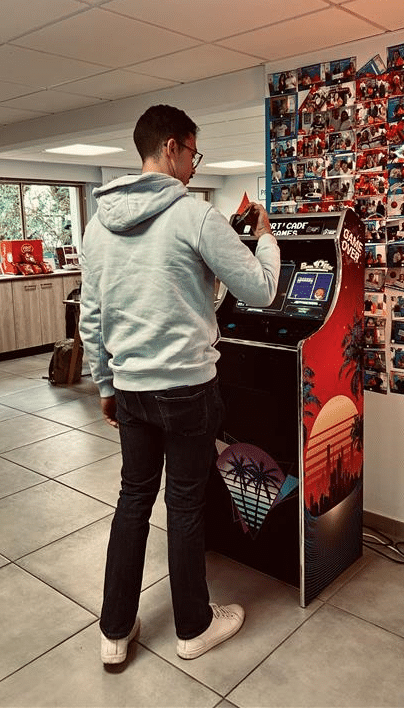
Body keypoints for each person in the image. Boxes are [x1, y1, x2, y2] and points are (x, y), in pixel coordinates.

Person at [79, 104, 280, 665]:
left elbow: (90, 319)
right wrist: (265, 239)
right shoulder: (195, 217)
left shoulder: (99, 224)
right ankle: (192, 627)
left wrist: (104, 386)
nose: (195, 165)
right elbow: (262, 290)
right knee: (185, 506)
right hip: (188, 388)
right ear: (171, 147)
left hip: (131, 388)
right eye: (193, 153)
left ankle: (115, 633)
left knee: (132, 501)